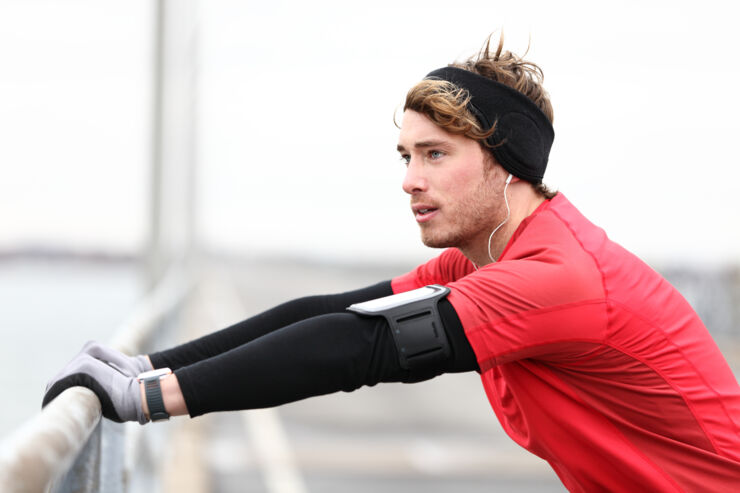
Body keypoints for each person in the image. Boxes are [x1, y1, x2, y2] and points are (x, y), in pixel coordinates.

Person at [43, 36, 740, 491]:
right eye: (406, 156)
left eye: (435, 153)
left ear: (508, 164)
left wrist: (148, 400)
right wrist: (150, 366)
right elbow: (337, 314)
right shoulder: (487, 262)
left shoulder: (556, 275)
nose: (410, 177)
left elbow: (365, 348)